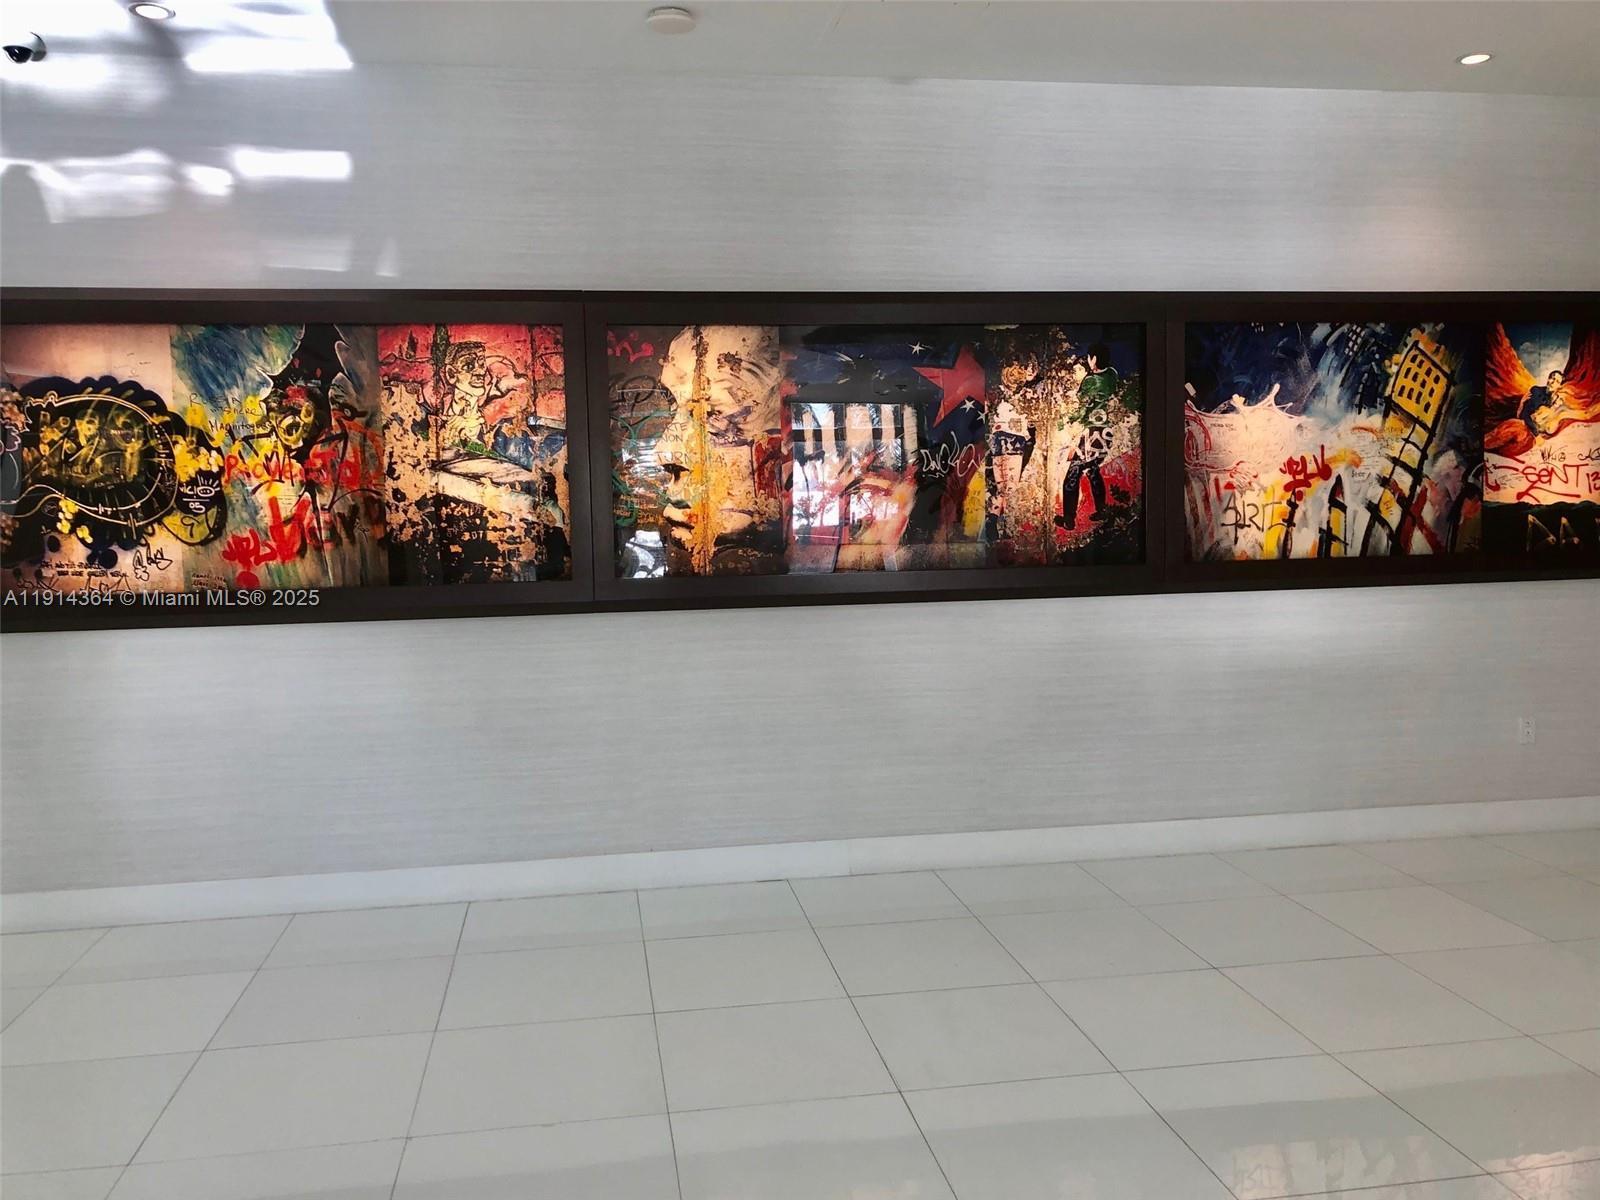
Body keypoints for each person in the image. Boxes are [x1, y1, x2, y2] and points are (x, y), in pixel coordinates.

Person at [1057, 342, 1118, 530]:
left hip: (1091, 433)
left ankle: (1068, 519)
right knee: (1092, 470)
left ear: (1094, 358)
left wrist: (1064, 421)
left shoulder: (1090, 380)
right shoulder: (1112, 374)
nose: (1088, 360)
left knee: (1073, 474)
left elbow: (1081, 409)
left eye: (1090, 357)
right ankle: (1101, 510)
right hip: (1106, 432)